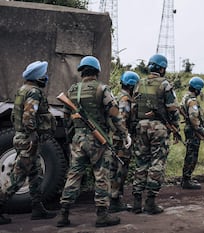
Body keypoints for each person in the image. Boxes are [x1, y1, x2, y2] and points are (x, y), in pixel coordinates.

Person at [56, 56, 131, 228]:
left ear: (82, 71)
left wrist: (71, 138)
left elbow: (66, 119)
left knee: (74, 174)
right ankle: (102, 215)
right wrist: (124, 134)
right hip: (98, 139)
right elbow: (115, 115)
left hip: (78, 139)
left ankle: (64, 214)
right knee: (101, 176)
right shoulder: (102, 89)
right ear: (97, 72)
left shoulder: (72, 90)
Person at [0, 61, 57, 225]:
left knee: (36, 174)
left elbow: (15, 116)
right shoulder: (33, 92)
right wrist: (32, 135)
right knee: (18, 175)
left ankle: (37, 208)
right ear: (38, 77)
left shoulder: (22, 90)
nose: (46, 78)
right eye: (44, 75)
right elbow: (28, 116)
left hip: (23, 137)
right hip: (28, 140)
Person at [132, 54, 179, 215]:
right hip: (159, 127)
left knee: (141, 162)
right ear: (161, 68)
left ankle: (136, 202)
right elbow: (172, 108)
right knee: (157, 162)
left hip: (141, 126)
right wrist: (174, 126)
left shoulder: (140, 83)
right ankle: (150, 202)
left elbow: (134, 106)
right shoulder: (164, 84)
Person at [109, 71, 140, 213]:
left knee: (115, 168)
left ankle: (113, 198)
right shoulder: (125, 99)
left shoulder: (119, 96)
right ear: (132, 86)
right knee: (120, 169)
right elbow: (122, 119)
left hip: (116, 138)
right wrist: (126, 136)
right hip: (121, 140)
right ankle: (114, 200)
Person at [180, 76, 204, 189]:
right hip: (193, 131)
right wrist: (202, 132)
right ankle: (186, 180)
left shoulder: (185, 97)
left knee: (189, 154)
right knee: (192, 155)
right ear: (197, 89)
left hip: (190, 129)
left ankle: (186, 178)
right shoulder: (192, 101)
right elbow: (194, 119)